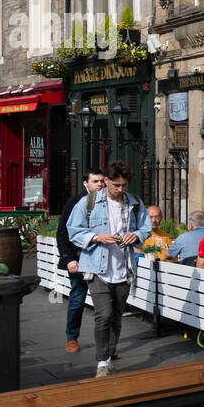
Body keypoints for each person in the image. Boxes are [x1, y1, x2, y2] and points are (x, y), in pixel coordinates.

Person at [67, 160, 151, 378]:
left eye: (123, 185)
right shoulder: (89, 202)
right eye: (115, 185)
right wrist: (96, 237)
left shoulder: (135, 203)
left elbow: (145, 229)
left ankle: (110, 350)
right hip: (97, 268)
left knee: (116, 316)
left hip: (124, 268)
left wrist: (137, 235)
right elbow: (73, 230)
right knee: (103, 316)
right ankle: (102, 363)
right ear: (107, 182)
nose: (120, 189)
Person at [57, 170, 106, 354]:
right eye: (95, 181)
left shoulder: (109, 203)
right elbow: (62, 234)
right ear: (86, 183)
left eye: (102, 181)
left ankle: (105, 346)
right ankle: (72, 337)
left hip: (101, 258)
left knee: (105, 304)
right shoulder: (75, 203)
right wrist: (69, 259)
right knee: (78, 298)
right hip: (78, 258)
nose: (100, 185)